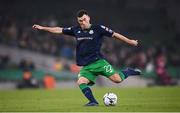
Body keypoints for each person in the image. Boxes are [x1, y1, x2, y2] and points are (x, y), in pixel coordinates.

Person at [32, 9, 141, 106]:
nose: (82, 22)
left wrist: (130, 41)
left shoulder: (98, 28)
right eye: (80, 21)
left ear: (88, 18)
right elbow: (58, 30)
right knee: (81, 82)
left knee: (117, 80)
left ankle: (128, 71)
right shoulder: (76, 30)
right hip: (87, 66)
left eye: (84, 19)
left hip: (99, 63)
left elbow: (115, 34)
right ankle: (93, 102)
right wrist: (42, 28)